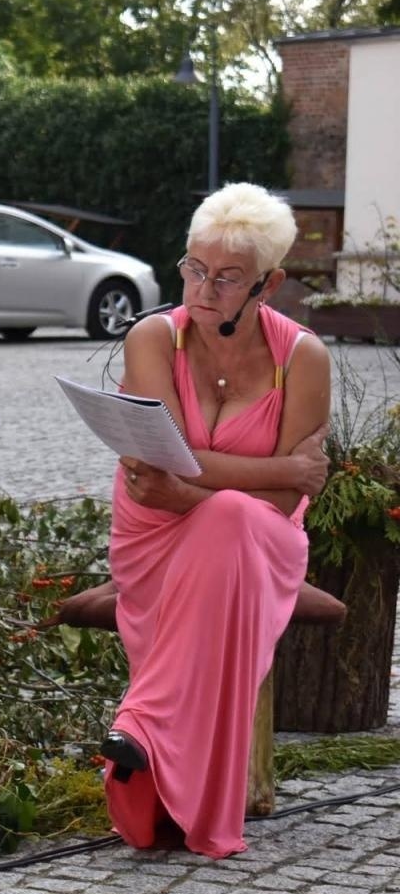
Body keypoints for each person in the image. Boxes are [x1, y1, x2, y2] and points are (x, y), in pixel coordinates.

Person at [99, 182, 330, 859]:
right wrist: (279, 469)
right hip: (153, 537)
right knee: (228, 515)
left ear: (270, 283)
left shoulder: (302, 358)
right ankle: (162, 768)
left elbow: (284, 507)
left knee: (231, 520)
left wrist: (208, 489)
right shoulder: (153, 338)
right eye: (194, 269)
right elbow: (157, 468)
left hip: (261, 545)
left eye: (227, 278)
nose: (203, 291)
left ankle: (139, 728)